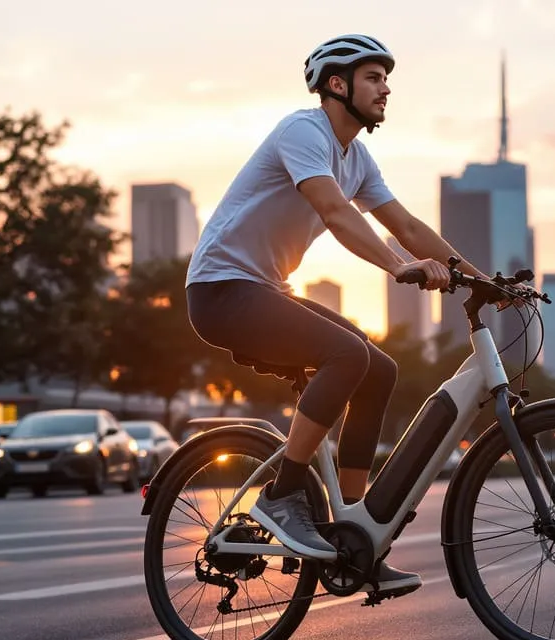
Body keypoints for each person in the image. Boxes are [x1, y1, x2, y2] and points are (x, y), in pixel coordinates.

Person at [186, 33, 499, 597]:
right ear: (337, 84)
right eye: (374, 77)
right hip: (221, 289)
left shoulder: (357, 157)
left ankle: (357, 529)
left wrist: (480, 278)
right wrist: (397, 266)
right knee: (346, 353)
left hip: (265, 290)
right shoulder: (303, 131)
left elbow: (407, 226)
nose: (385, 89)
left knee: (380, 369)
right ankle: (283, 495)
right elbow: (332, 211)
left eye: (386, 79)